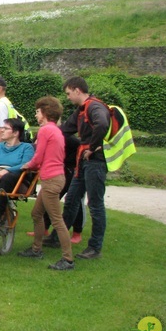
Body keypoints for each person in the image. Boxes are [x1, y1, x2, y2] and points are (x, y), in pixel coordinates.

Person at [18, 96, 74, 271]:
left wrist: (27, 165)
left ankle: (68, 259)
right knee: (36, 213)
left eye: (37, 111)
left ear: (45, 112)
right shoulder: (56, 130)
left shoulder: (45, 130)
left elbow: (39, 156)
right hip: (56, 177)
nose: (35, 115)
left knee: (57, 220)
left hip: (51, 180)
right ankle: (36, 249)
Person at [59, 76, 111, 260]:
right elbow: (64, 129)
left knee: (95, 205)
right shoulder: (81, 110)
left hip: (95, 162)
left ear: (77, 90)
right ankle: (60, 238)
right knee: (72, 199)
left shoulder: (94, 106)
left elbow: (103, 124)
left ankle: (95, 248)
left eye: (68, 94)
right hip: (83, 162)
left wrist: (92, 146)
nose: (67, 98)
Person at [0, 118, 34, 224]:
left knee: (7, 177)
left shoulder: (26, 147)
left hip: (15, 177)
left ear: (15, 133)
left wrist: (6, 171)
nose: (1, 130)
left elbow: (25, 164)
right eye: (2, 128)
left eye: (6, 128)